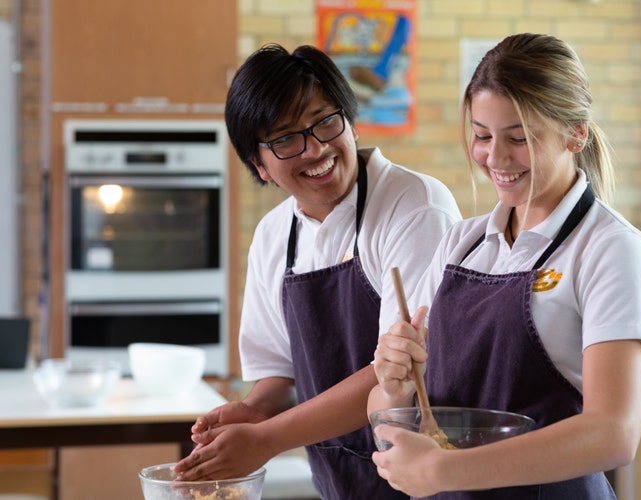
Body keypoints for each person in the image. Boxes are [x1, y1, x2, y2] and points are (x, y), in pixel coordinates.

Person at [368, 33, 641, 499]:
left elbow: (614, 433)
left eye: (519, 138)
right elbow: (387, 407)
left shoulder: (609, 249)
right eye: (482, 136)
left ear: (576, 133)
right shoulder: (460, 244)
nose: (496, 158)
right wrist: (392, 385)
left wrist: (448, 471)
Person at [173, 43, 462, 499]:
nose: (317, 149)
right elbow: (280, 376)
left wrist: (266, 440)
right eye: (286, 138)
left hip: (429, 482)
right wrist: (253, 412)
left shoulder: (414, 205)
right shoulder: (273, 236)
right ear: (258, 164)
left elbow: (394, 370)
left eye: (326, 121)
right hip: (339, 485)